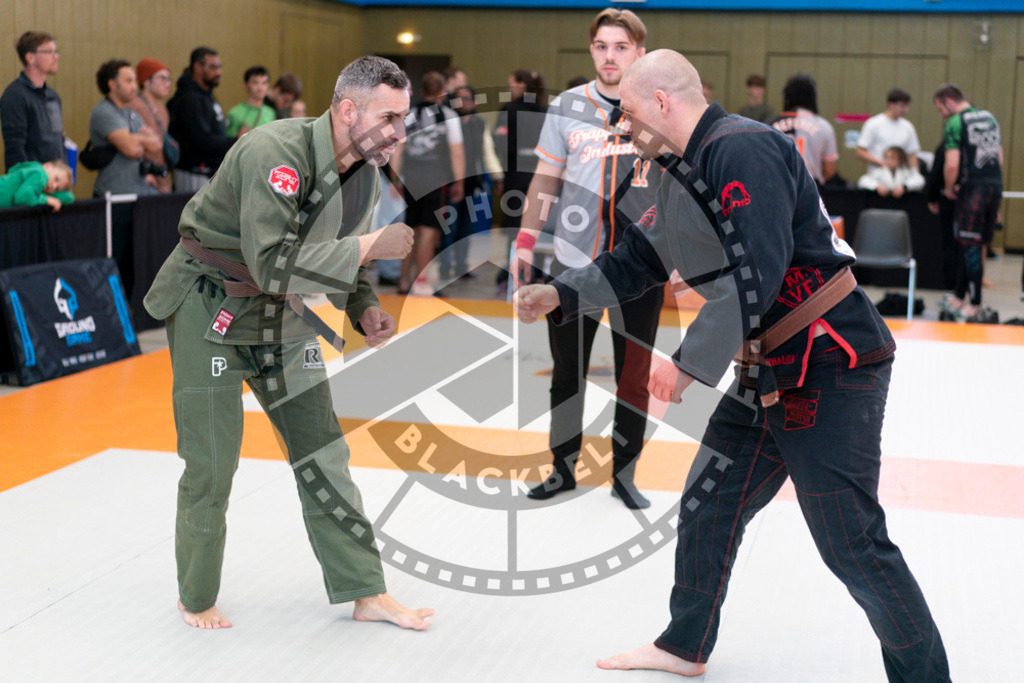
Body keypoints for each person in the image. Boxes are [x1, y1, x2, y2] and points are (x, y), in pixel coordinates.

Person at [514, 49, 951, 681]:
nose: (625, 128)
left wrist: (688, 364)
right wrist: (561, 293)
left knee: (849, 537)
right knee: (709, 502)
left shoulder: (742, 149)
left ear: (663, 102)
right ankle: (684, 644)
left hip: (829, 362)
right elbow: (636, 258)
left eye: (631, 114)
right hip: (766, 368)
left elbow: (759, 269)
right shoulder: (673, 170)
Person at [143, 55, 431, 631]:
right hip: (210, 308)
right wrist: (371, 245)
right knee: (212, 463)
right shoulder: (274, 152)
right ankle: (195, 595)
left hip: (283, 317)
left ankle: (365, 590)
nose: (400, 132)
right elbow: (273, 265)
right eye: (390, 117)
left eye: (405, 117)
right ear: (348, 110)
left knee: (325, 454)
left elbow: (346, 256)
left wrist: (364, 306)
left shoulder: (366, 174)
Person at [513, 8, 663, 509]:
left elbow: (681, 187)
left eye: (620, 47)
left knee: (633, 377)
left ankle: (625, 474)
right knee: (566, 372)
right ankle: (561, 469)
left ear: (639, 52)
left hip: (641, 267)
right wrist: (526, 240)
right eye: (601, 46)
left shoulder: (659, 107)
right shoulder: (566, 107)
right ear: (592, 50)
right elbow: (545, 181)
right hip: (573, 265)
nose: (609, 56)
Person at [89, 59, 163, 297]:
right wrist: (137, 140)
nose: (134, 86)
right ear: (112, 84)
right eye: (128, 80)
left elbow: (155, 145)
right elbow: (132, 150)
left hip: (138, 196)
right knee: (116, 259)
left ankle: (131, 309)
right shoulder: (103, 112)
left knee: (135, 260)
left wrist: (134, 139)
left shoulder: (131, 114)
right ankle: (113, 308)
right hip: (114, 198)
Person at [933, 83, 1003, 322]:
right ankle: (960, 297)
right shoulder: (990, 118)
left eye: (940, 109)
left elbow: (951, 164)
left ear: (947, 101)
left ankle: (974, 304)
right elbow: (999, 157)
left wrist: (950, 188)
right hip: (994, 185)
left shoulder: (955, 122)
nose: (942, 114)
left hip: (973, 189)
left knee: (969, 245)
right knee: (971, 243)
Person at [391, 71, 465, 295]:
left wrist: (395, 177)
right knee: (430, 231)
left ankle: (404, 280)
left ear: (422, 91)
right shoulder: (448, 116)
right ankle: (420, 280)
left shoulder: (409, 115)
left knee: (410, 229)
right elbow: (456, 152)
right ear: (443, 92)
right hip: (436, 177)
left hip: (412, 177)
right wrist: (459, 181)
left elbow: (398, 147)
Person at [438, 84, 504, 280]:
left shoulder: (479, 124)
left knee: (466, 229)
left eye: (467, 98)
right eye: (458, 98)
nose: (462, 103)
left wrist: (497, 176)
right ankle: (444, 267)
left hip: (472, 183)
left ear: (474, 102)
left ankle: (461, 266)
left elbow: (487, 152)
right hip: (449, 184)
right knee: (448, 228)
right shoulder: (448, 123)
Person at [492, 69, 547, 293]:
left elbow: (499, 143)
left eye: (511, 84)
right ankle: (536, 273)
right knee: (538, 224)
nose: (509, 89)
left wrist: (501, 172)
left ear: (522, 85)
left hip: (515, 175)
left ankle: (511, 273)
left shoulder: (509, 110)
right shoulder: (546, 111)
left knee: (514, 227)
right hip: (541, 175)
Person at [167, 47, 236, 192]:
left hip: (209, 171)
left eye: (219, 67)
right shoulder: (189, 99)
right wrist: (236, 139)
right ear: (198, 67)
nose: (219, 72)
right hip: (194, 172)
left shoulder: (207, 95)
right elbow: (202, 141)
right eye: (213, 67)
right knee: (195, 214)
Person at [1, 31, 64, 171]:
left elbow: (58, 139)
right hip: (33, 184)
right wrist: (31, 181)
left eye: (56, 51)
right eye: (49, 52)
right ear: (31, 57)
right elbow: (15, 149)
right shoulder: (15, 96)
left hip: (57, 181)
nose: (56, 56)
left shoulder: (53, 96)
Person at [771, 73, 839, 186]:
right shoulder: (823, 126)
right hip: (810, 187)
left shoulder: (770, 125)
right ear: (813, 97)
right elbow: (830, 170)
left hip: (777, 188)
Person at [128, 57, 176, 193]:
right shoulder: (135, 106)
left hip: (162, 176)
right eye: (162, 78)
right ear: (146, 81)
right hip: (143, 177)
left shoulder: (163, 110)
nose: (167, 84)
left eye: (169, 79)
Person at [857, 88, 921, 172]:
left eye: (907, 106)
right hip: (878, 176)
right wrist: (882, 164)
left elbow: (911, 155)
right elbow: (860, 152)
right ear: (891, 105)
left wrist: (915, 174)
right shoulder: (873, 124)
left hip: (901, 178)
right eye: (902, 106)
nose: (905, 110)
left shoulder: (908, 127)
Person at [0, 159, 74, 209]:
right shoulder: (41, 174)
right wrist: (46, 200)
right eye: (56, 179)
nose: (53, 186)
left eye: (56, 189)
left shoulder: (34, 170)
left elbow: (68, 197)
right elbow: (22, 198)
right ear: (47, 166)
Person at [225, 66, 276, 136]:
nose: (260, 88)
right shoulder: (235, 113)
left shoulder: (271, 113)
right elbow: (227, 141)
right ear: (246, 85)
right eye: (255, 83)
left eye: (264, 83)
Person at [857, 145, 924, 197]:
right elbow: (863, 180)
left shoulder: (906, 172)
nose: (888, 161)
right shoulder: (879, 172)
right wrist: (877, 186)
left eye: (892, 158)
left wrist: (904, 187)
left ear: (901, 160)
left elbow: (920, 180)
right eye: (886, 157)